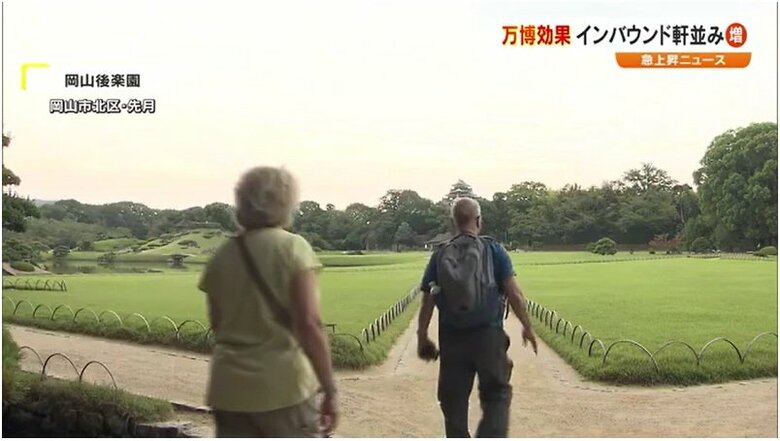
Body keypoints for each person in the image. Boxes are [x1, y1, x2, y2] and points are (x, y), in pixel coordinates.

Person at [198, 166, 339, 437]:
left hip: (227, 390)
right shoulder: (292, 248)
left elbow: (218, 325)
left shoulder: (222, 256)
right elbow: (309, 324)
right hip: (283, 388)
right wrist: (330, 390)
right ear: (285, 202)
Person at [417, 197, 538, 438]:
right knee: (497, 395)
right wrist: (527, 326)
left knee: (453, 403)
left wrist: (422, 337)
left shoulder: (440, 255)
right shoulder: (493, 250)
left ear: (454, 222)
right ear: (479, 220)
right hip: (488, 336)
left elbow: (428, 300)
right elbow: (514, 293)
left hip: (452, 340)